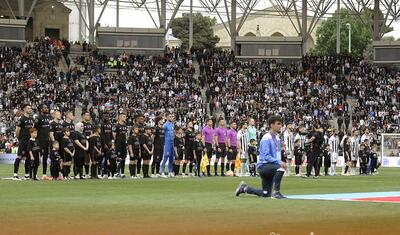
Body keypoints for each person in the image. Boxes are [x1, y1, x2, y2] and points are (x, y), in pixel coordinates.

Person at [235, 115, 287, 199]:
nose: (280, 126)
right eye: (278, 124)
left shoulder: (277, 138)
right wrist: (279, 162)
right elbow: (266, 156)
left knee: (266, 194)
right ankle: (276, 192)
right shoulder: (266, 138)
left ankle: (244, 188)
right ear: (271, 125)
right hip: (264, 166)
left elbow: (277, 155)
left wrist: (281, 155)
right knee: (280, 168)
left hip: (270, 166)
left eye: (281, 124)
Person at [13, 104, 34, 180]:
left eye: (31, 108)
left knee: (28, 158)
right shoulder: (21, 119)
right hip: (23, 141)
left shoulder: (31, 119)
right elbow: (17, 131)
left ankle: (26, 174)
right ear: (24, 109)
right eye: (28, 108)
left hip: (29, 141)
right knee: (19, 156)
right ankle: (15, 174)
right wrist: (20, 139)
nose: (30, 110)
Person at [34, 104, 51, 180]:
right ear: (41, 109)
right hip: (40, 140)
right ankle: (35, 174)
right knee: (37, 158)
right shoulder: (38, 118)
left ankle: (44, 174)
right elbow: (35, 129)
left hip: (47, 140)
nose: (46, 109)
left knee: (45, 158)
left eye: (46, 107)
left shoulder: (48, 117)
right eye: (45, 108)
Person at [113, 113, 128, 178]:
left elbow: (125, 135)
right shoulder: (116, 126)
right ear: (120, 117)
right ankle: (116, 172)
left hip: (124, 144)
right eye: (124, 117)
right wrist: (114, 144)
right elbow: (114, 136)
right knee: (118, 158)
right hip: (118, 144)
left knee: (123, 158)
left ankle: (122, 172)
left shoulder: (125, 126)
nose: (125, 118)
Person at [161, 112, 175, 177]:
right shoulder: (165, 125)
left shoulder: (172, 125)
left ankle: (170, 171)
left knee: (171, 158)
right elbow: (162, 134)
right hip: (167, 143)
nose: (171, 118)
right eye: (170, 116)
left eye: (172, 116)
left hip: (172, 143)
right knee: (165, 157)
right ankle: (162, 171)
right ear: (166, 117)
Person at [82, 111, 94, 178]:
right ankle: (80, 173)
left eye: (89, 115)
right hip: (83, 143)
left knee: (88, 159)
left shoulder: (90, 125)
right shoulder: (81, 124)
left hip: (89, 143)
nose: (88, 116)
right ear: (83, 116)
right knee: (82, 158)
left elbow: (91, 133)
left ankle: (87, 173)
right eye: (86, 115)